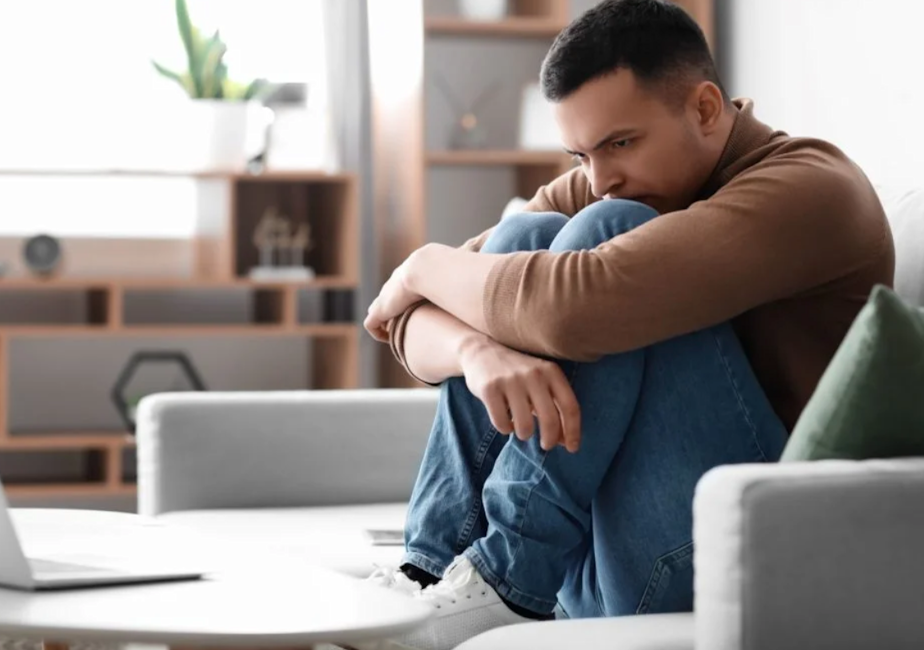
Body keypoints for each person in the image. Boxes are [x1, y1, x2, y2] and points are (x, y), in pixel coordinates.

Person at [358, 0, 894, 648]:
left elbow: (566, 307)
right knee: (527, 234)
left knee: (604, 235)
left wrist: (420, 264)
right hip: (605, 554)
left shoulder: (810, 190)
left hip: (744, 553)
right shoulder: (615, 180)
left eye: (620, 143)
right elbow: (411, 324)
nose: (598, 177)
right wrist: (478, 351)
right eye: (580, 153)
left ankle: (504, 578)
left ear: (702, 108)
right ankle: (432, 574)